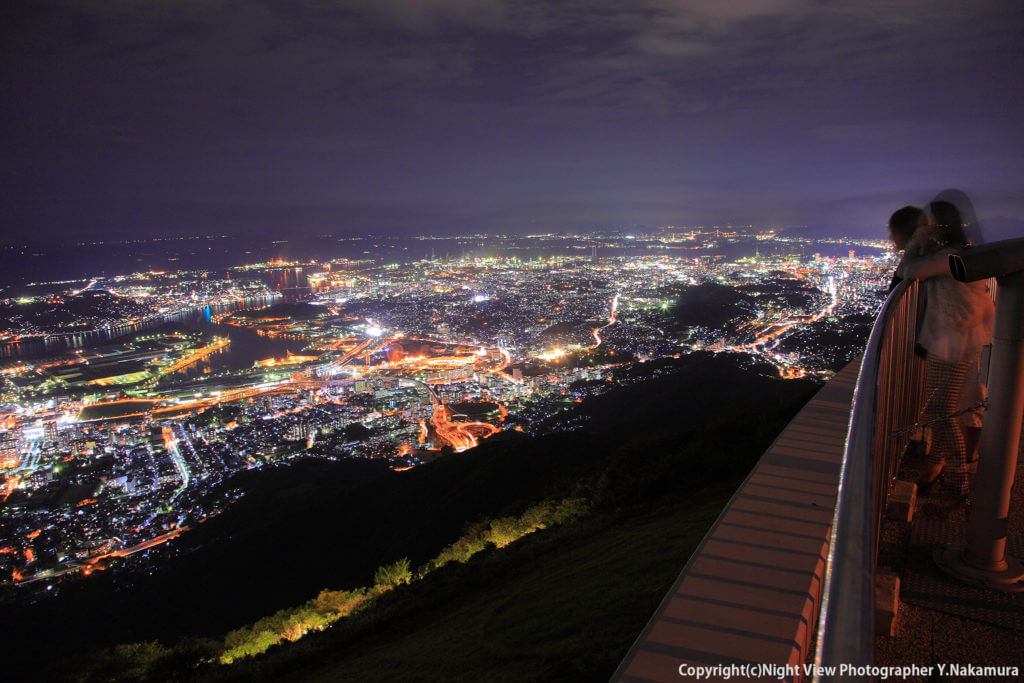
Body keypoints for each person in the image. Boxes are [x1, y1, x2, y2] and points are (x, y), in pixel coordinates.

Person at [894, 201, 995, 500]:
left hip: (951, 340)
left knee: (940, 409)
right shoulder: (963, 252)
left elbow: (906, 271)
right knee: (943, 407)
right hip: (954, 337)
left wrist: (916, 240)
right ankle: (937, 465)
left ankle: (959, 478)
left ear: (940, 226)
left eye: (930, 223)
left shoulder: (948, 256)